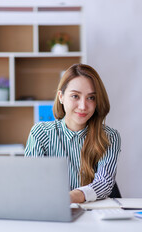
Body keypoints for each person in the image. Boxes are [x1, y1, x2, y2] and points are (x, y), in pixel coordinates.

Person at [25, 63, 121, 203]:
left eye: (91, 98)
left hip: (95, 213)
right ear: (61, 97)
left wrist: (70, 197)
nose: (83, 106)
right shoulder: (41, 133)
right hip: (52, 209)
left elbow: (104, 182)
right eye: (75, 96)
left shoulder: (109, 137)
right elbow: (32, 181)